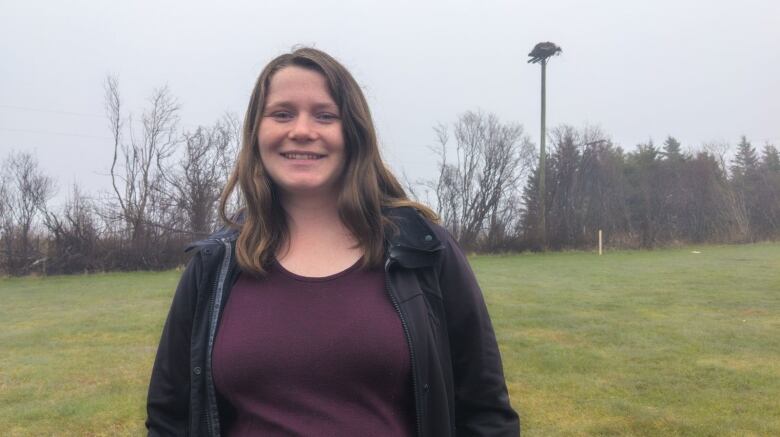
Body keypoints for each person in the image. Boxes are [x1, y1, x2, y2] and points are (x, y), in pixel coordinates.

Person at [145, 47, 519, 436]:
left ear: (353, 132)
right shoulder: (215, 267)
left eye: (325, 115)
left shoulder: (424, 251)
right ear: (257, 131)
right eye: (282, 113)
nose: (303, 130)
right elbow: (170, 418)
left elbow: (485, 412)